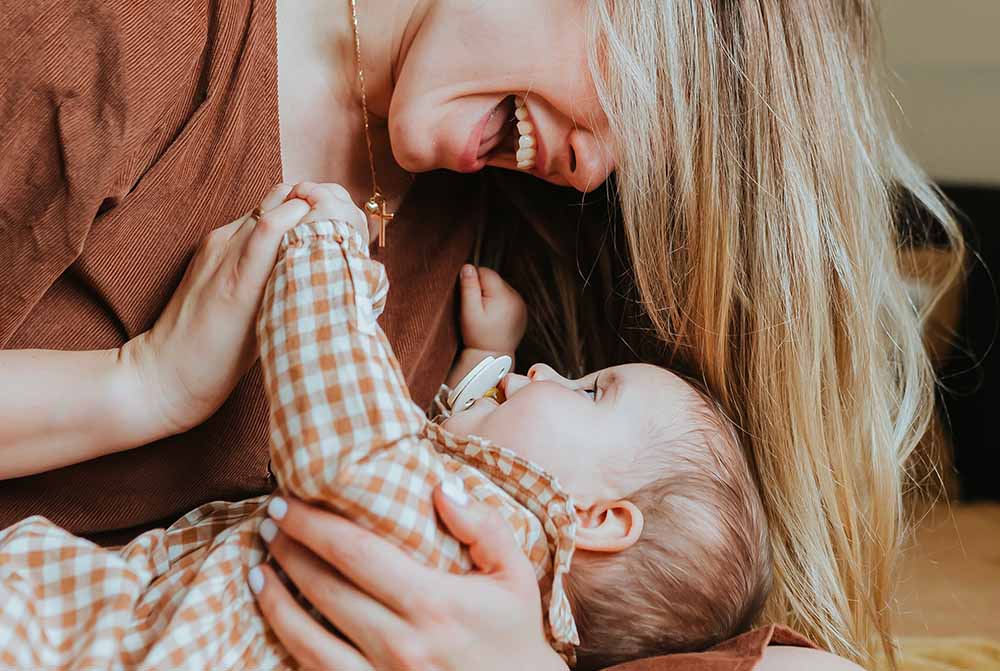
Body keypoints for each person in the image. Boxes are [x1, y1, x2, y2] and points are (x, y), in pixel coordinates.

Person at [0, 1, 961, 670]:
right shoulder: (117, 40)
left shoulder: (512, 229)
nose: (593, 175)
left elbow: (694, 587)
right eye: (644, 98)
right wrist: (142, 388)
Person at [0, 184, 769, 670]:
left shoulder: (456, 551)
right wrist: (486, 354)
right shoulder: (490, 580)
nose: (544, 370)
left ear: (601, 519)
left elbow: (357, 431)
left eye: (590, 389)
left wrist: (325, 255)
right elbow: (453, 435)